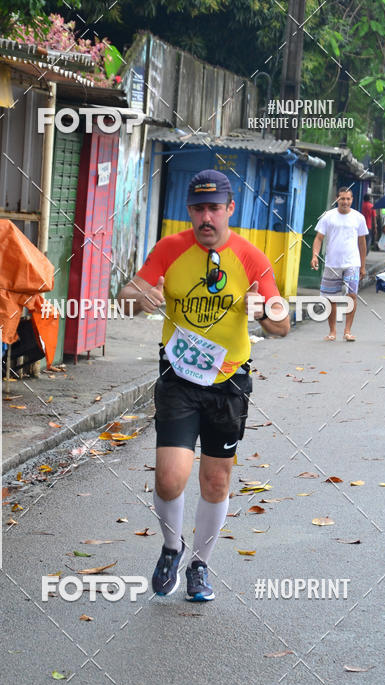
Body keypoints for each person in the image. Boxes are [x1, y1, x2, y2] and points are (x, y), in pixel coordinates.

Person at [119, 170, 289, 602]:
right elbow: (125, 298)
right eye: (198, 209)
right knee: (169, 478)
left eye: (215, 208)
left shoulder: (251, 257)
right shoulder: (169, 249)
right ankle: (171, 548)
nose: (206, 217)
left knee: (215, 482)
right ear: (189, 211)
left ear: (230, 209)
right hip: (179, 378)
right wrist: (141, 297)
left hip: (229, 382)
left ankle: (200, 564)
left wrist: (263, 312)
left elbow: (283, 324)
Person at [311, 187, 368, 341]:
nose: (345, 202)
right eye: (342, 199)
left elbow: (362, 243)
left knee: (352, 295)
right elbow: (318, 238)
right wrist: (315, 256)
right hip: (332, 263)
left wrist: (363, 265)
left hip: (352, 263)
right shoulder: (328, 216)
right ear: (337, 199)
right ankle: (332, 332)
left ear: (352, 200)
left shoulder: (359, 218)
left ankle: (347, 331)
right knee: (331, 299)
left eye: (348, 199)